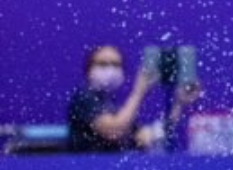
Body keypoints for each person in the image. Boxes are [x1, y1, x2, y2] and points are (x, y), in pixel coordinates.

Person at [66, 44, 202, 152]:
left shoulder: (112, 104)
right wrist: (139, 92)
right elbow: (113, 131)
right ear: (89, 68)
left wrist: (179, 103)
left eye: (116, 64)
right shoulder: (83, 97)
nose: (110, 69)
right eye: (103, 64)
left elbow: (150, 135)